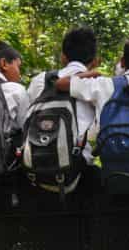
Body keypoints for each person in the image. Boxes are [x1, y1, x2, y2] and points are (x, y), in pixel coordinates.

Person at [56, 37, 129, 145]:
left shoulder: (104, 84)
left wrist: (92, 74)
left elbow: (61, 83)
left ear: (123, 62)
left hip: (110, 155)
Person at [25, 27, 99, 165]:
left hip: (37, 163)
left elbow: (26, 119)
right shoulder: (95, 84)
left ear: (63, 56)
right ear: (94, 61)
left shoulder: (40, 80)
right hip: (79, 166)